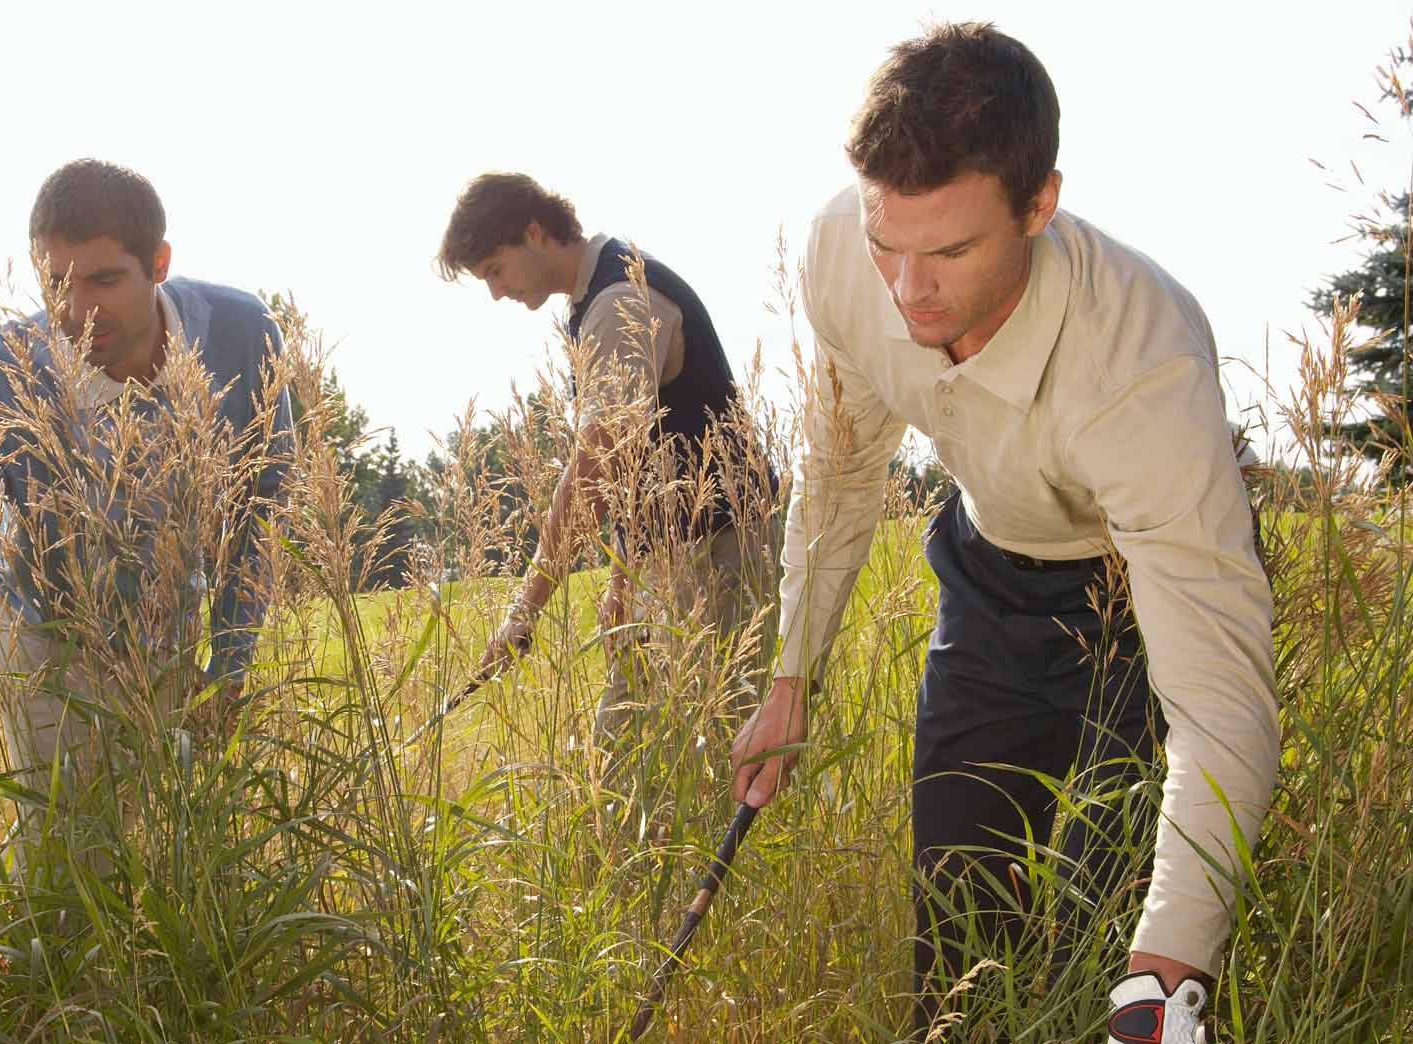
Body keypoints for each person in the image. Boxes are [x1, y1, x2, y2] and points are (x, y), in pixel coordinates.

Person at [726, 23, 1278, 1041]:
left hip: (1133, 604)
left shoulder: (1141, 365)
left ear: (1037, 207)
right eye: (885, 243)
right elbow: (842, 464)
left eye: (948, 250)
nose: (906, 290)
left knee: (1102, 926)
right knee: (955, 935)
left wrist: (1162, 993)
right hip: (985, 582)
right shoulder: (838, 257)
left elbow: (1220, 707)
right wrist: (790, 673)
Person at [0, 158, 293, 882]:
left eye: (104, 281)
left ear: (158, 262)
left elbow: (262, 507)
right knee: (70, 864)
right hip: (44, 629)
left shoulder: (241, 336)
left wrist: (229, 665)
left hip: (168, 619)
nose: (78, 312)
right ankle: (47, 987)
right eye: (56, 284)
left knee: (196, 859)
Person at [438, 172, 775, 753]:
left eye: (495, 269)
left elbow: (598, 465)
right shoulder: (597, 293)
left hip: (721, 549)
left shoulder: (618, 300)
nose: (496, 292)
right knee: (649, 761)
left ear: (535, 232)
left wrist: (524, 611)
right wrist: (625, 573)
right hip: (681, 550)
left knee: (649, 764)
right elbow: (640, 453)